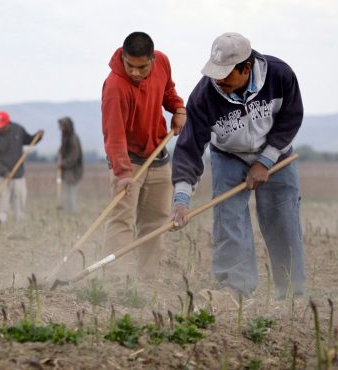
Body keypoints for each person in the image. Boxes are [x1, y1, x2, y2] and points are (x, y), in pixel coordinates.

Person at [171, 32, 306, 299]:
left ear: (246, 67)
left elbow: (291, 119)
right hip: (228, 156)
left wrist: (265, 161)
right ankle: (236, 290)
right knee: (229, 219)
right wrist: (181, 199)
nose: (218, 80)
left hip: (277, 155)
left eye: (225, 73)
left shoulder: (280, 75)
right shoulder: (203, 96)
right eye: (215, 72)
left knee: (283, 221)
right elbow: (189, 150)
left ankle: (292, 293)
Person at [101, 32, 186, 278]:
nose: (135, 72)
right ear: (123, 57)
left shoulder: (163, 62)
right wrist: (123, 173)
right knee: (122, 220)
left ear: (153, 58)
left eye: (142, 67)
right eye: (130, 66)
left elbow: (168, 91)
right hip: (128, 161)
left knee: (156, 221)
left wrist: (178, 108)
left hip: (158, 155)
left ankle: (147, 280)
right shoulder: (115, 87)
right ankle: (114, 280)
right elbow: (113, 134)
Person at [0, 111, 43, 222]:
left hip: (17, 174)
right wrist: (4, 171)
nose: (0, 128)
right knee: (1, 202)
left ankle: (20, 223)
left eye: (2, 126)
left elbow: (29, 141)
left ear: (8, 123)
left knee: (19, 200)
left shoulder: (18, 129)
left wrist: (38, 136)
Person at [57, 116, 83, 214]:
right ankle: (67, 211)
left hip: (73, 171)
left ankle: (72, 212)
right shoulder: (65, 137)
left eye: (61, 126)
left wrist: (63, 163)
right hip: (66, 170)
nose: (60, 129)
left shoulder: (73, 138)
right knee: (66, 191)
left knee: (71, 192)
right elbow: (62, 149)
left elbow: (74, 156)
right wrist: (60, 152)